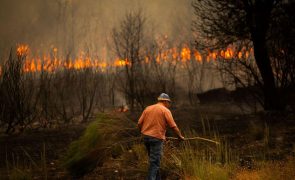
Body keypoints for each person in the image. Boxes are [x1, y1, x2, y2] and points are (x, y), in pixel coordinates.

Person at [137, 93, 185, 180]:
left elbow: (139, 123)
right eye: (169, 103)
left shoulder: (148, 108)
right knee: (155, 162)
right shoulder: (165, 110)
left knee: (154, 162)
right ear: (165, 101)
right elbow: (173, 126)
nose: (169, 105)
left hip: (146, 137)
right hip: (156, 138)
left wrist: (143, 132)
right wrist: (180, 136)